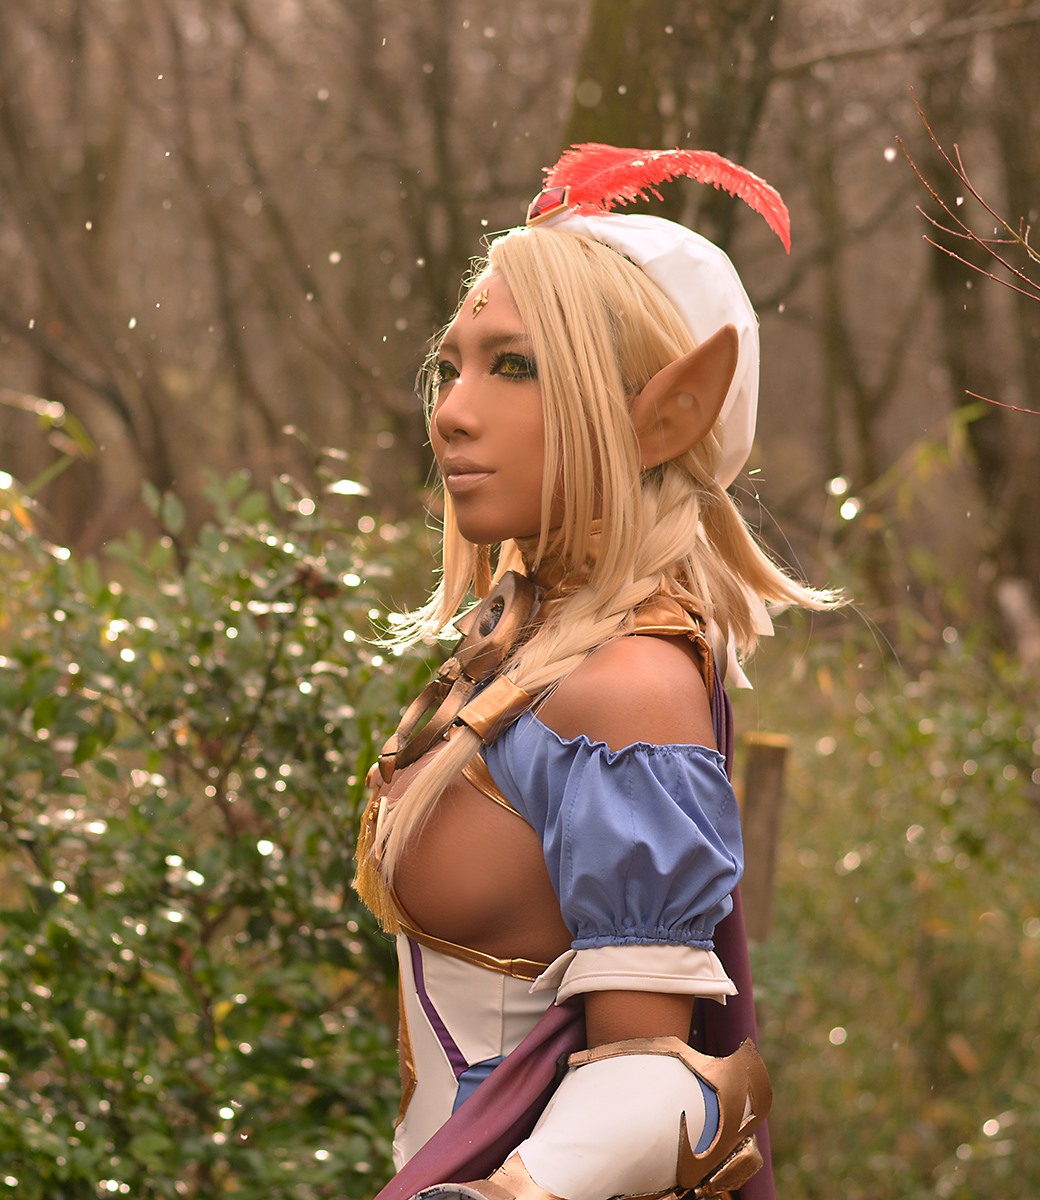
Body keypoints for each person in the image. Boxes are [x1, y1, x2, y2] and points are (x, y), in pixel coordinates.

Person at [355, 146, 839, 1200]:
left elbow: (658, 1084)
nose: (451, 412)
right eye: (452, 366)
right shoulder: (519, 648)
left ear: (660, 413)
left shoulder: (625, 690)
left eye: (514, 366)